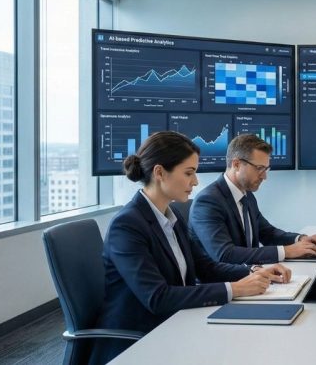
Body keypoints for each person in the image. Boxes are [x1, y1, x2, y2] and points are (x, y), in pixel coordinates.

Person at [90, 132, 290, 364]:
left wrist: (254, 272)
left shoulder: (171, 217)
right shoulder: (127, 226)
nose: (195, 182)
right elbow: (158, 297)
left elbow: (204, 267)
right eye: (189, 173)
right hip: (139, 342)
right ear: (159, 172)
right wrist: (235, 289)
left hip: (175, 323)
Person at [189, 134, 316, 264]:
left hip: (252, 275)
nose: (264, 176)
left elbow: (267, 233)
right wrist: (287, 251)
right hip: (226, 284)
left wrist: (300, 239)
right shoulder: (208, 202)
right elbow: (225, 254)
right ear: (236, 164)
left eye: (266, 169)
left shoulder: (246, 195)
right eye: (259, 168)